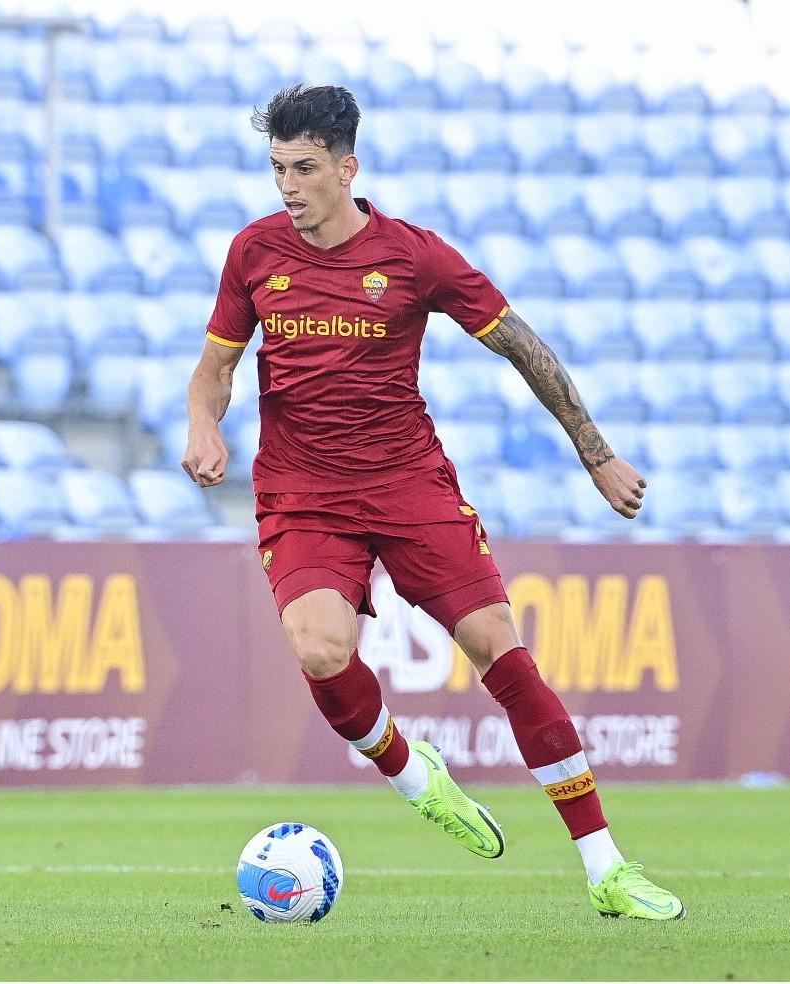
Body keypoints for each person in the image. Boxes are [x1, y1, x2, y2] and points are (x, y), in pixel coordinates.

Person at [183, 85, 682, 920]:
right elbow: (214, 371)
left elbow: (523, 348)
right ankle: (415, 776)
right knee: (318, 649)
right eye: (277, 168)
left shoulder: (415, 257)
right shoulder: (253, 253)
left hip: (407, 482)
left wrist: (595, 454)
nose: (287, 186)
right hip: (302, 493)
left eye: (304, 169)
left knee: (497, 645)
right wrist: (204, 426)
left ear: (348, 169)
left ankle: (605, 865)